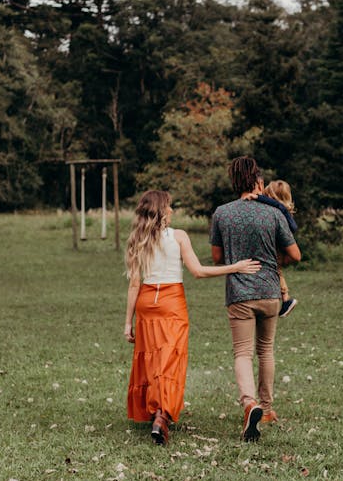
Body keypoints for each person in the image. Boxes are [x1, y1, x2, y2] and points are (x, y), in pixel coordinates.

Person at [123, 190, 261, 446]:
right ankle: (161, 417)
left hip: (146, 305)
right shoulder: (178, 237)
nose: (173, 211)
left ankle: (158, 414)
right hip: (171, 303)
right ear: (162, 211)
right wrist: (236, 267)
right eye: (170, 207)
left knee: (153, 361)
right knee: (170, 360)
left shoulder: (138, 239)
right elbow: (198, 271)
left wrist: (127, 323)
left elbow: (134, 285)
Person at [210, 157, 301, 441]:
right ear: (258, 180)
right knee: (266, 350)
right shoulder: (272, 214)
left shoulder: (222, 214)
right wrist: (273, 259)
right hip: (271, 293)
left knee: (242, 353)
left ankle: (250, 402)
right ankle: (268, 408)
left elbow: (216, 257)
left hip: (239, 294)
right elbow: (295, 254)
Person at [250, 179, 298, 317]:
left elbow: (293, 227)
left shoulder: (280, 210)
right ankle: (284, 299)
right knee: (277, 271)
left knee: (277, 271)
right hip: (277, 247)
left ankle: (286, 299)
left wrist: (258, 197)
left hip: (276, 248)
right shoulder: (280, 210)